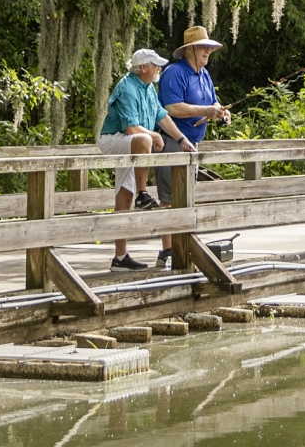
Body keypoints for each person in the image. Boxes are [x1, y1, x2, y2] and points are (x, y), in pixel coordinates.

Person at [98, 48, 192, 270]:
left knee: (124, 194)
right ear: (143, 68)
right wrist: (154, 135)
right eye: (155, 64)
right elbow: (131, 129)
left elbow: (162, 116)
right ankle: (143, 194)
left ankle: (120, 259)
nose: (159, 68)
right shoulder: (128, 87)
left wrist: (182, 140)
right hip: (113, 139)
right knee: (144, 139)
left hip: (131, 142)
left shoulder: (149, 88)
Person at [152, 26, 231, 268]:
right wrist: (206, 111)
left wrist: (220, 112)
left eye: (210, 47)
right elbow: (172, 108)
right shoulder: (174, 73)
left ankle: (183, 247)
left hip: (193, 145)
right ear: (190, 50)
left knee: (187, 198)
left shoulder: (204, 74)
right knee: (169, 199)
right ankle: (167, 251)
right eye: (204, 47)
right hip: (172, 142)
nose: (208, 51)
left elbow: (212, 101)